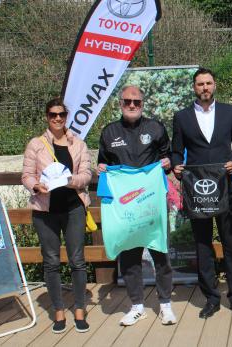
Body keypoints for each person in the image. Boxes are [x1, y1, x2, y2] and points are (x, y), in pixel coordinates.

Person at [97, 85, 176, 326]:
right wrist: (101, 169)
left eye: (137, 102)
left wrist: (167, 162)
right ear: (120, 104)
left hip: (151, 203)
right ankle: (137, 305)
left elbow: (170, 156)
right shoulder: (109, 132)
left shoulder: (155, 128)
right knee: (129, 257)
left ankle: (165, 305)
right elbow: (103, 163)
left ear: (143, 104)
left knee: (160, 253)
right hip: (125, 207)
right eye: (128, 101)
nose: (132, 105)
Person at [171, 67, 232, 318]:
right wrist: (176, 166)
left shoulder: (229, 112)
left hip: (226, 186)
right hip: (197, 190)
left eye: (208, 83)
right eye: (200, 84)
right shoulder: (181, 117)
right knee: (202, 245)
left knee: (230, 242)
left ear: (214, 86)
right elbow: (176, 150)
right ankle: (211, 298)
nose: (205, 87)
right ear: (194, 87)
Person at [22, 97, 91, 334]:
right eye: (53, 115)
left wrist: (73, 181)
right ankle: (59, 311)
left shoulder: (78, 144)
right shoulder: (36, 144)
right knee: (51, 262)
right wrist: (35, 187)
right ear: (47, 117)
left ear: (66, 116)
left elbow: (86, 174)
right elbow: (27, 175)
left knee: (77, 261)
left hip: (73, 208)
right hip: (45, 211)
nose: (57, 118)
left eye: (61, 114)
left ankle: (80, 309)